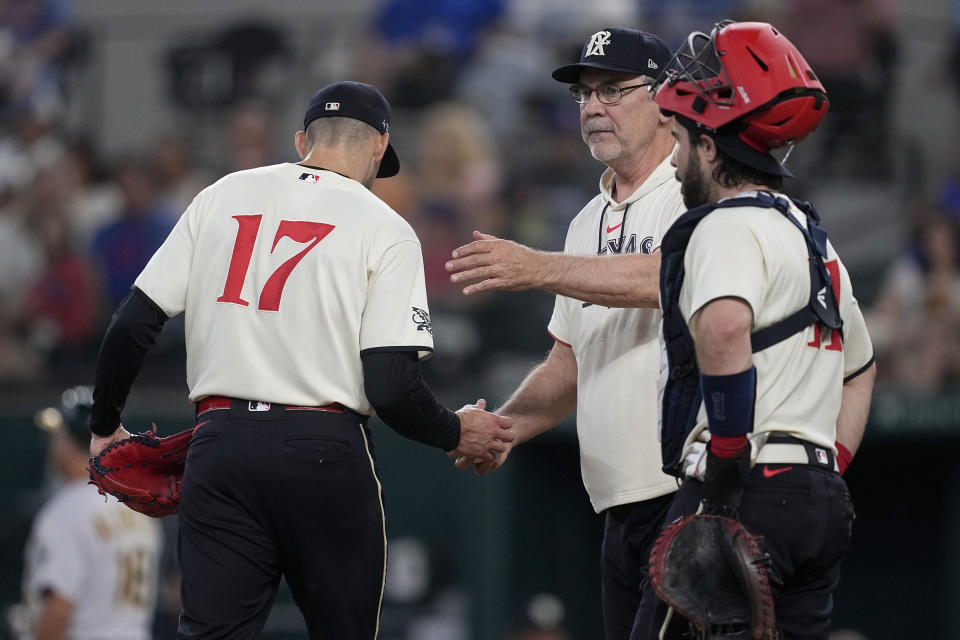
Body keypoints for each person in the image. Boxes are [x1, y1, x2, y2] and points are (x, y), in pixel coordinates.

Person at [86, 80, 514, 639]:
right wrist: (456, 431)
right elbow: (389, 385)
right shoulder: (385, 227)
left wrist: (103, 426)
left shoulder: (223, 194)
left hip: (221, 445)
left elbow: (132, 324)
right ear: (380, 146)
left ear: (300, 141)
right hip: (324, 452)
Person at [446, 28, 686, 640]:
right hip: (617, 501)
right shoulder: (586, 219)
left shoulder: (696, 188)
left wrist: (540, 267)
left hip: (689, 490)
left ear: (664, 98)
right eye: (585, 94)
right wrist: (506, 428)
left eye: (613, 90)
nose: (593, 107)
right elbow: (569, 360)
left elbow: (671, 276)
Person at [652, 21, 876, 638]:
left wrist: (726, 457)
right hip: (818, 502)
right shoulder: (815, 241)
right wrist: (826, 463)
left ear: (711, 146)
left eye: (680, 139)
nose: (673, 160)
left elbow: (724, 329)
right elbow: (860, 370)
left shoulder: (725, 225)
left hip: (744, 492)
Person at [18, 386, 162, 640]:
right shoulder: (137, 504)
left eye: (58, 436)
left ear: (68, 441)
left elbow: (57, 612)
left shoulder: (65, 513)